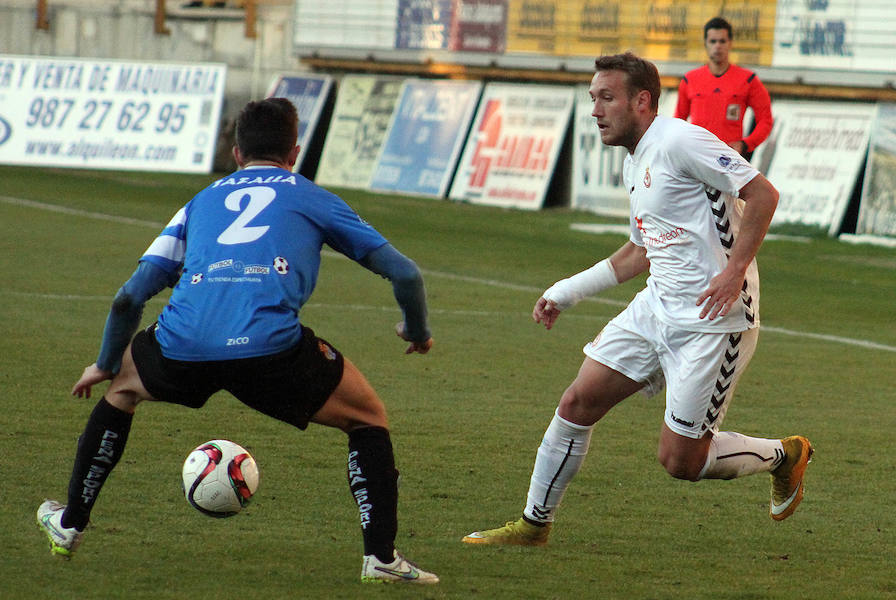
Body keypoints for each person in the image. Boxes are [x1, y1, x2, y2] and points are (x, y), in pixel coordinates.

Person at [37, 98, 439, 584]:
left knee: (121, 390)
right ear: (294, 151)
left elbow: (128, 298)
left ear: (235, 153)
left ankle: (69, 524)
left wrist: (104, 363)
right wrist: (415, 331)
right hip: (270, 349)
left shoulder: (200, 202)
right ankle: (381, 558)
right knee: (368, 418)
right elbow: (406, 274)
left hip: (182, 343)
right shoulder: (310, 195)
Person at [462, 53, 812, 547]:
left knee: (681, 462)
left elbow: (763, 195)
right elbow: (637, 252)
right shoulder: (637, 159)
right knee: (577, 401)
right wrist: (565, 292)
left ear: (642, 101)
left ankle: (785, 455)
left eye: (606, 97)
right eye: (592, 99)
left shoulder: (679, 140)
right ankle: (533, 524)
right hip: (656, 309)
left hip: (714, 323)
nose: (595, 110)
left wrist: (734, 271)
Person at [675, 16, 773, 160]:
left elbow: (766, 120)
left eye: (722, 41)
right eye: (713, 41)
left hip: (729, 160)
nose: (717, 46)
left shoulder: (748, 80)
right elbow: (678, 121)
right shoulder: (689, 80)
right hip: (696, 158)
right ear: (705, 44)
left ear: (730, 43)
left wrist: (745, 144)